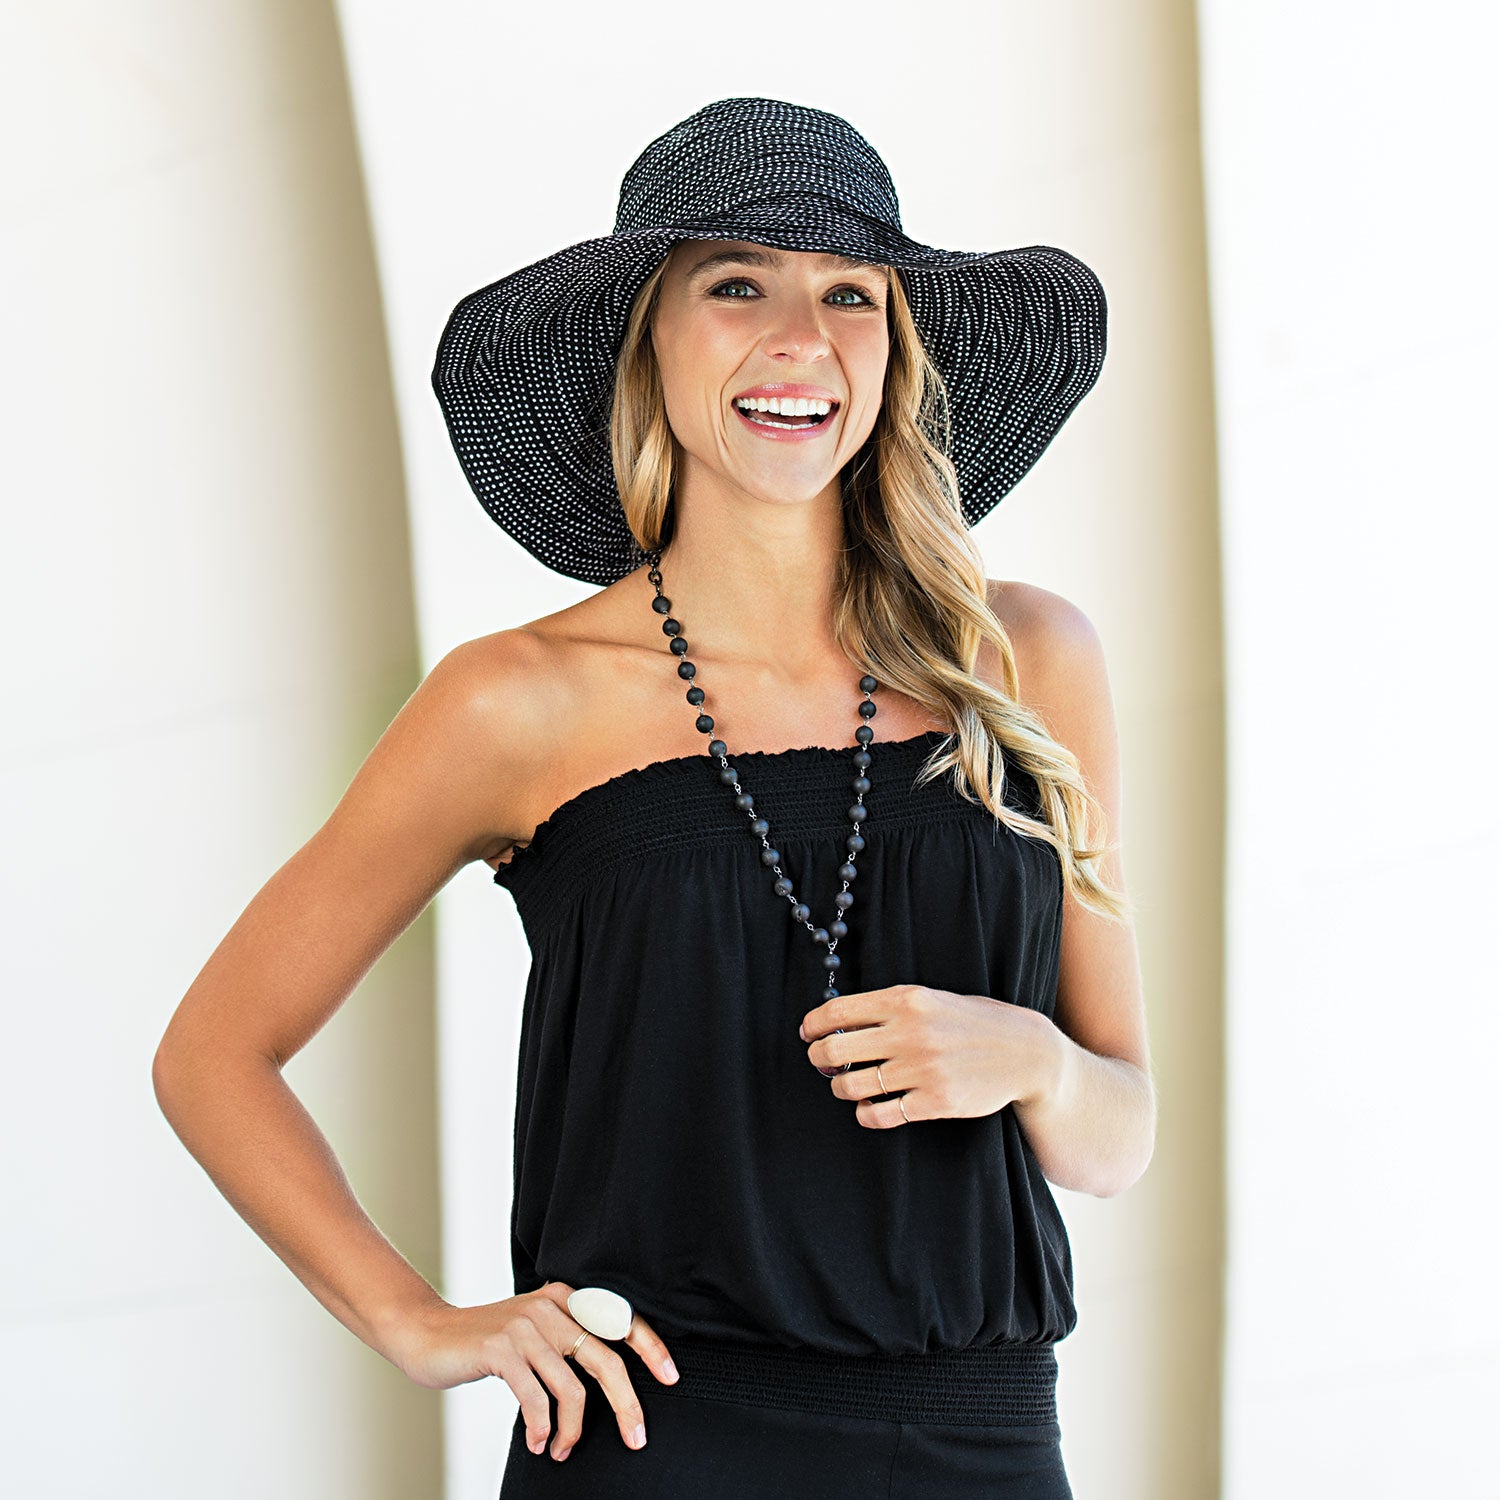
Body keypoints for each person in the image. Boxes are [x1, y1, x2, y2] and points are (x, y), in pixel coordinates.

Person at [154, 96, 1155, 1498]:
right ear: (653, 336)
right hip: (649, 1443)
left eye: (848, 294)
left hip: (978, 1448)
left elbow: (1119, 1135)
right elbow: (212, 1054)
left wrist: (1035, 1059)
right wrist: (420, 1324)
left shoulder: (1027, 658)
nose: (800, 338)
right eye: (736, 284)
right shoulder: (516, 701)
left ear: (892, 345)